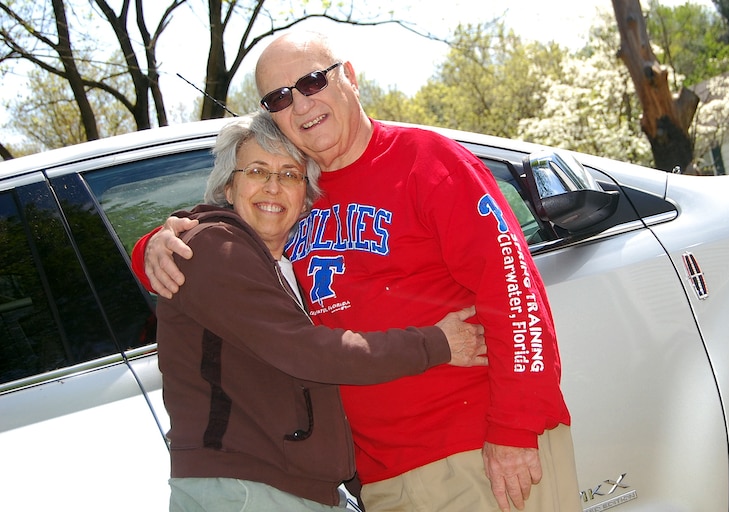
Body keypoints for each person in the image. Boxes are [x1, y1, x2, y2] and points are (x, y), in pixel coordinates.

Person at [134, 31, 581, 512]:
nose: (301, 105)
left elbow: (515, 292)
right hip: (381, 480)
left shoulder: (427, 162)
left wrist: (515, 429)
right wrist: (153, 247)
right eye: (280, 97)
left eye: (311, 81)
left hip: (476, 452)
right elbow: (226, 250)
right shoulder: (299, 198)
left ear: (349, 76)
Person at [155, 111, 487, 512]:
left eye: (290, 175)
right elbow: (308, 352)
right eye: (258, 171)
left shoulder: (287, 266)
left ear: (306, 196)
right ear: (229, 186)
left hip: (296, 487)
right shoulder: (211, 248)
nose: (273, 188)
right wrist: (435, 344)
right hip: (245, 489)